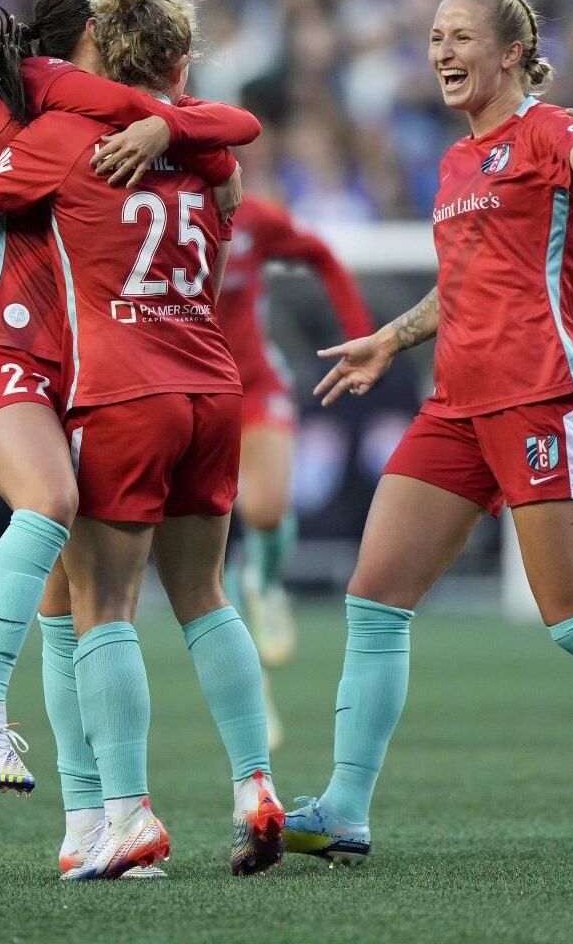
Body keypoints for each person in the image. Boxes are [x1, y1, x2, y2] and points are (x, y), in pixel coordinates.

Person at [282, 0, 573, 867]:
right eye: (433, 36)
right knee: (375, 598)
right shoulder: (456, 164)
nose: (441, 51)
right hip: (456, 405)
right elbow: (464, 284)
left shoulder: (546, 132)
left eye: (459, 36)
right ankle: (344, 809)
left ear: (507, 55)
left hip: (543, 396)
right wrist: (392, 335)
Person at [0, 0, 283, 880]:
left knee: (89, 608)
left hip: (113, 379)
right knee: (193, 591)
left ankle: (109, 814)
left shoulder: (61, 131)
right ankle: (241, 787)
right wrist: (172, 118)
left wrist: (158, 117)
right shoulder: (203, 154)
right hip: (191, 375)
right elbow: (232, 144)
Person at [215, 194, 374, 743]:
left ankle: (267, 582)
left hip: (255, 385)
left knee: (265, 508)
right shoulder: (150, 213)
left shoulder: (254, 219)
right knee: (201, 558)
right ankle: (250, 688)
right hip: (186, 391)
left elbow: (321, 256)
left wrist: (361, 332)